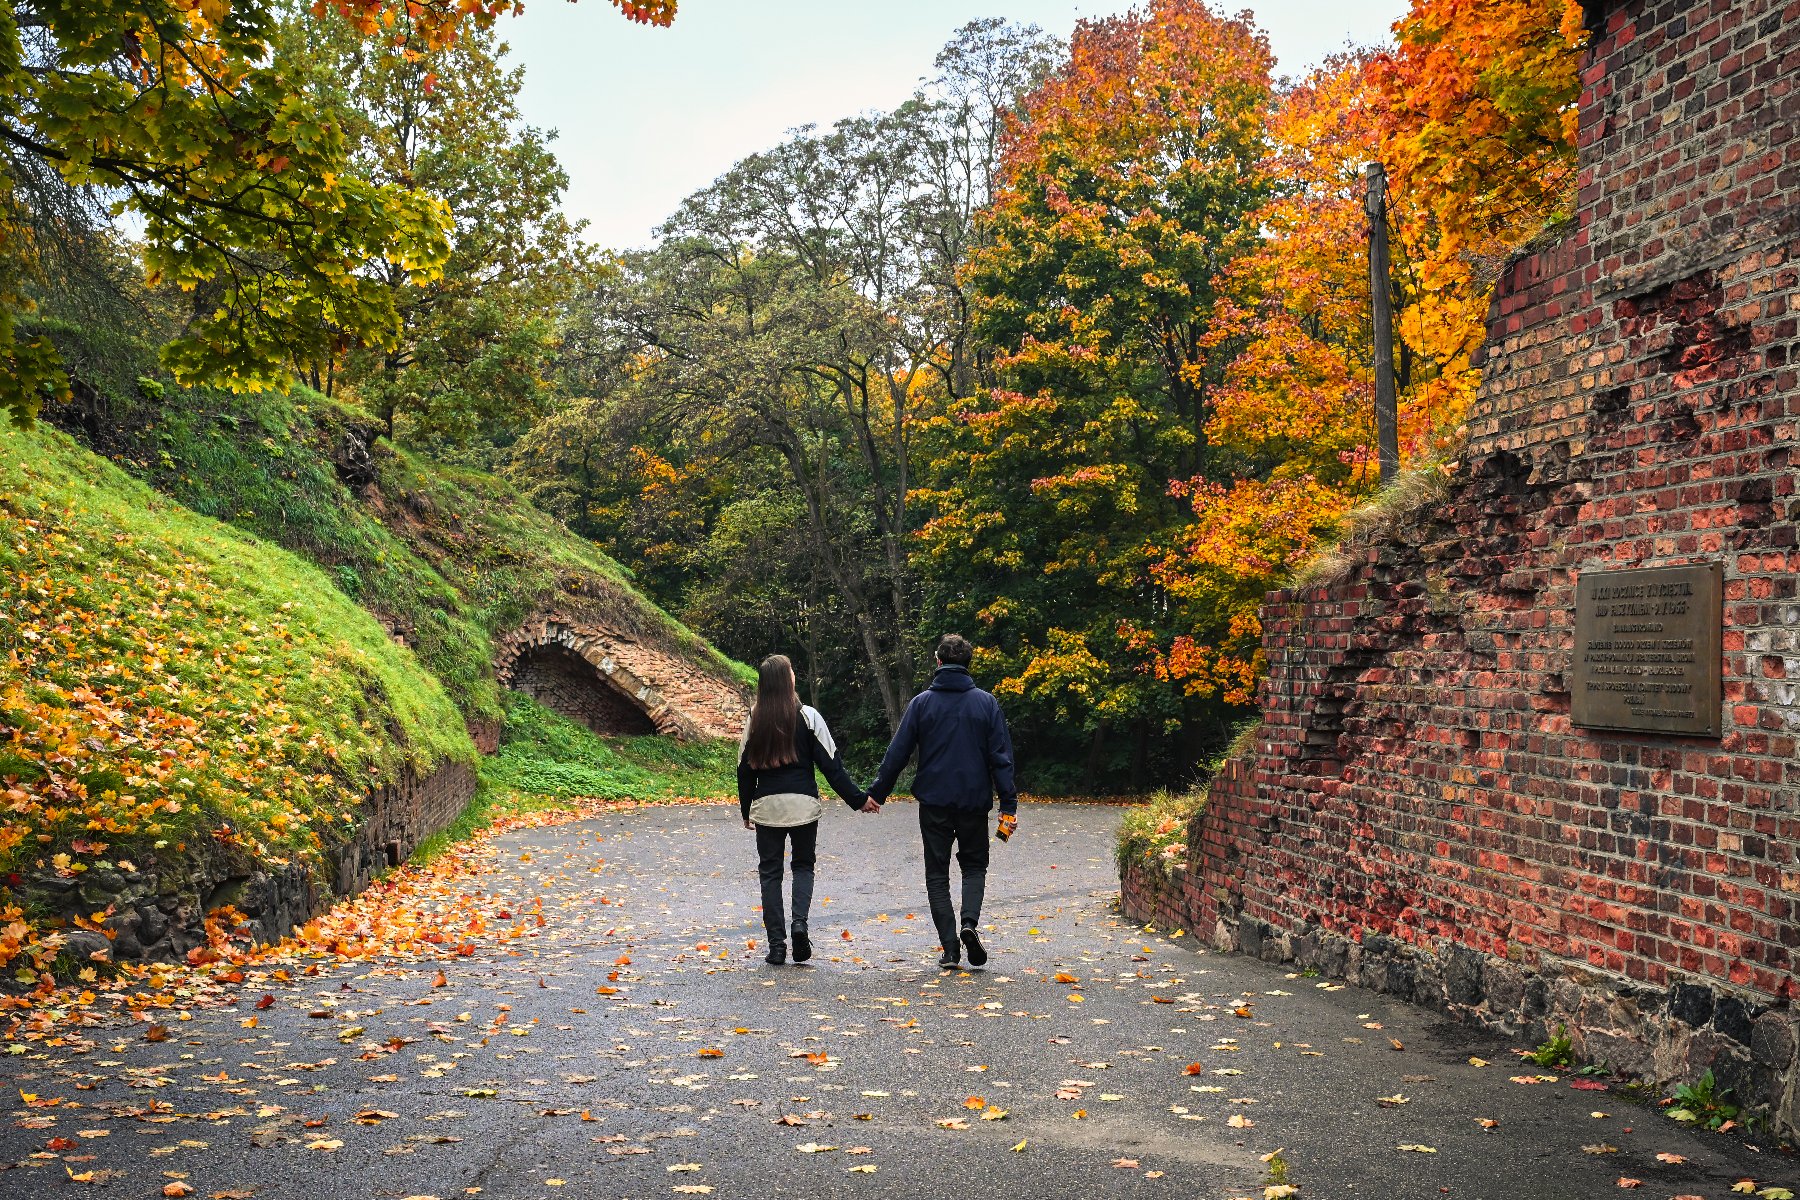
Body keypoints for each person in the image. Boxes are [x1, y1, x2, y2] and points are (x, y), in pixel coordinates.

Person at [864, 633, 1017, 969]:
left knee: (937, 874)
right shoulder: (987, 704)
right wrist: (1009, 805)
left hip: (934, 803)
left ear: (937, 661)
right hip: (974, 802)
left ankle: (950, 948)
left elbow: (898, 753)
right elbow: (1001, 757)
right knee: (974, 866)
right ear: (968, 664)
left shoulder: (921, 704)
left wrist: (877, 793)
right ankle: (969, 924)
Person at [737, 653, 868, 966]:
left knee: (770, 874)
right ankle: (799, 925)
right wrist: (859, 799)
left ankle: (776, 945)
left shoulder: (755, 718)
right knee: (803, 866)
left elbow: (744, 769)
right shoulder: (808, 716)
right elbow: (832, 766)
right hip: (804, 806)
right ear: (787, 679)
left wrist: (746, 810)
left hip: (767, 807)